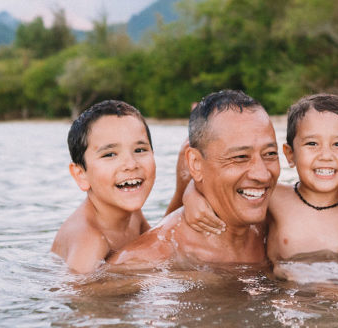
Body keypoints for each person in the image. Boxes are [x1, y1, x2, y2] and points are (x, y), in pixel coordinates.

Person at [185, 93, 338, 261]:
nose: (325, 156)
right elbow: (219, 187)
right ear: (290, 155)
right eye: (312, 143)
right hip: (279, 294)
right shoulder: (277, 199)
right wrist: (192, 196)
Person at [109, 90, 280, 267]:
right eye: (240, 157)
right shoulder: (142, 264)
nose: (262, 175)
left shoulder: (283, 225)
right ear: (196, 164)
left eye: (270, 154)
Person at [51, 100, 156, 273]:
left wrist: (186, 193)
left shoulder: (132, 213)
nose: (131, 164)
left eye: (139, 150)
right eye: (110, 154)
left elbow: (162, 240)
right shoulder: (90, 240)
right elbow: (78, 292)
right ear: (81, 175)